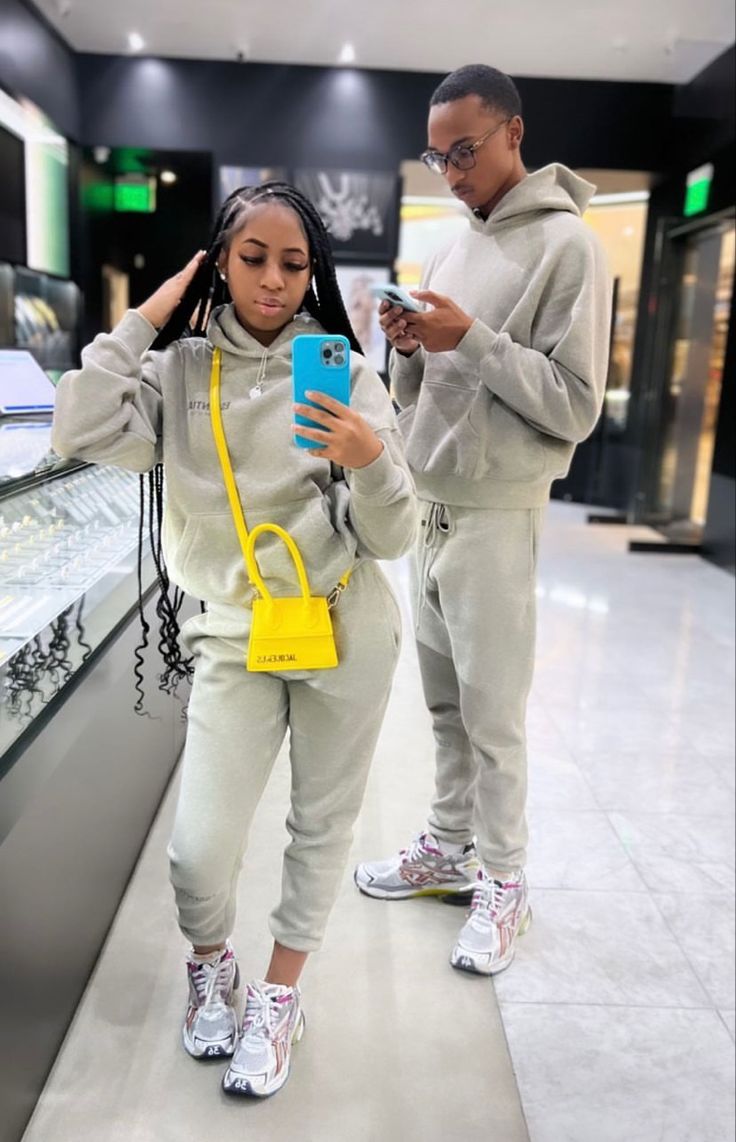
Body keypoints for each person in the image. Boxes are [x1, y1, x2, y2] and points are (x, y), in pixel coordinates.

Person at [52, 182, 417, 1098]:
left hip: (346, 623)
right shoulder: (176, 374)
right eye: (252, 257)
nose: (273, 281)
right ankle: (210, 961)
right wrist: (148, 313)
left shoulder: (340, 366)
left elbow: (394, 536)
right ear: (218, 262)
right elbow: (81, 423)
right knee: (197, 850)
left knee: (320, 825)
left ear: (313, 275)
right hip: (231, 632)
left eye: (294, 264)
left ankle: (280, 996)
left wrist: (369, 463)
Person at [355, 65, 611, 977]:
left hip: (500, 517)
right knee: (445, 708)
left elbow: (575, 405)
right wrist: (411, 348)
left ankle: (507, 881)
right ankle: (448, 848)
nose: (451, 171)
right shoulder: (450, 247)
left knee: (494, 716)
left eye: (464, 149)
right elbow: (429, 393)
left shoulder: (570, 247)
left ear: (514, 132)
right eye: (437, 155)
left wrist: (473, 340)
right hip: (432, 509)